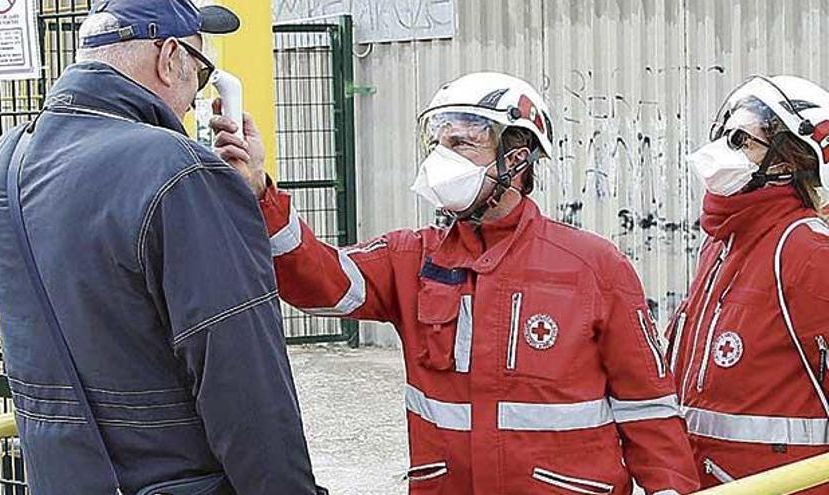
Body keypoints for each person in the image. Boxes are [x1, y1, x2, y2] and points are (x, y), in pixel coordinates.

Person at [212, 72, 699, 494]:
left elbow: (648, 408)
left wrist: (671, 489)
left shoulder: (594, 266)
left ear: (516, 158)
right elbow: (321, 284)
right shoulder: (411, 257)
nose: (441, 159)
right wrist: (260, 192)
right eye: (437, 143)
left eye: (461, 143)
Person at [0, 1, 324, 493]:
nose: (194, 100)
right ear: (168, 56)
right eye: (201, 73)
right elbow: (244, 385)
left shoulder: (8, 162)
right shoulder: (178, 170)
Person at [667, 75, 829, 491]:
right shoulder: (723, 244)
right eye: (726, 136)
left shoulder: (808, 251)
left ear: (789, 161)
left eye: (742, 140)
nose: (724, 150)